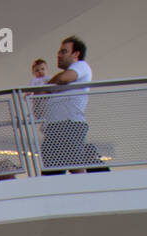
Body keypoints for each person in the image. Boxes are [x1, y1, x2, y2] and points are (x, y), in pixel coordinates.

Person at [37, 36, 94, 174]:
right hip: (54, 128)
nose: (59, 55)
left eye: (64, 51)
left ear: (76, 54)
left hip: (69, 125)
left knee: (75, 166)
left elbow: (64, 78)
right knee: (50, 174)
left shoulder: (81, 65)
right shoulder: (65, 74)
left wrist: (45, 88)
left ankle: (84, 194)